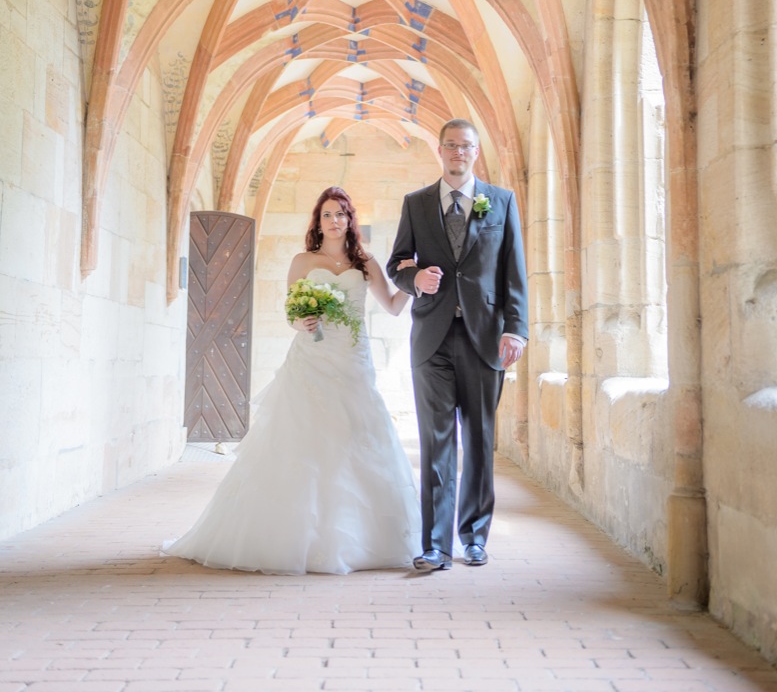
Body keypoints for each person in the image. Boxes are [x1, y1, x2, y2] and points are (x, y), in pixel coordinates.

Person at [164, 187, 419, 575]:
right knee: (303, 436)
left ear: (350, 220)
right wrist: (301, 322)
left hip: (353, 360)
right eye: (327, 214)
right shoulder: (303, 261)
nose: (334, 221)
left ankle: (361, 538)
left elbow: (395, 306)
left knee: (356, 434)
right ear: (318, 222)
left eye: (341, 214)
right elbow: (291, 313)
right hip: (312, 359)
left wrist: (415, 278)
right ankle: (297, 538)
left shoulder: (365, 262)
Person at [387, 119, 528, 572]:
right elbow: (395, 264)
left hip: (485, 338)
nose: (458, 152)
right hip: (432, 339)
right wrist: (415, 279)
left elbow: (513, 271)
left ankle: (475, 537)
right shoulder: (416, 204)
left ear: (475, 151)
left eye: (466, 146)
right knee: (436, 442)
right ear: (440, 150)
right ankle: (435, 546)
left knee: (480, 440)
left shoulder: (501, 201)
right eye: (450, 145)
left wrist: (516, 328)